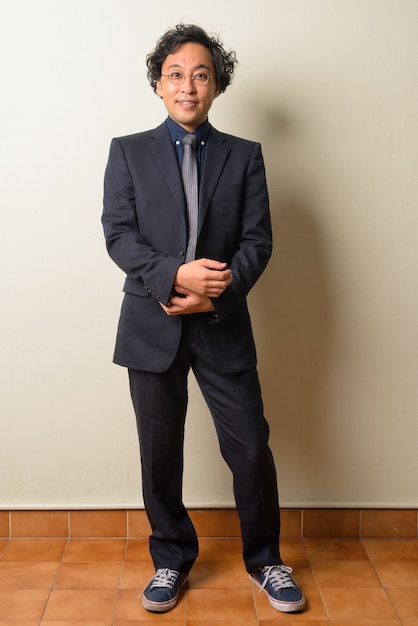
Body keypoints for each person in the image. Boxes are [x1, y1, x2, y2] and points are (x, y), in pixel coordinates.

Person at [102, 23, 305, 614]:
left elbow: (257, 242)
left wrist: (216, 293)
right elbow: (119, 235)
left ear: (216, 86)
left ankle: (266, 560)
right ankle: (170, 559)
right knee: (159, 452)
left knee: (249, 447)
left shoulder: (245, 156)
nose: (188, 85)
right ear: (158, 84)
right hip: (151, 323)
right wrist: (175, 277)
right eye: (176, 74)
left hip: (223, 322)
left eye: (201, 74)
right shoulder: (128, 151)